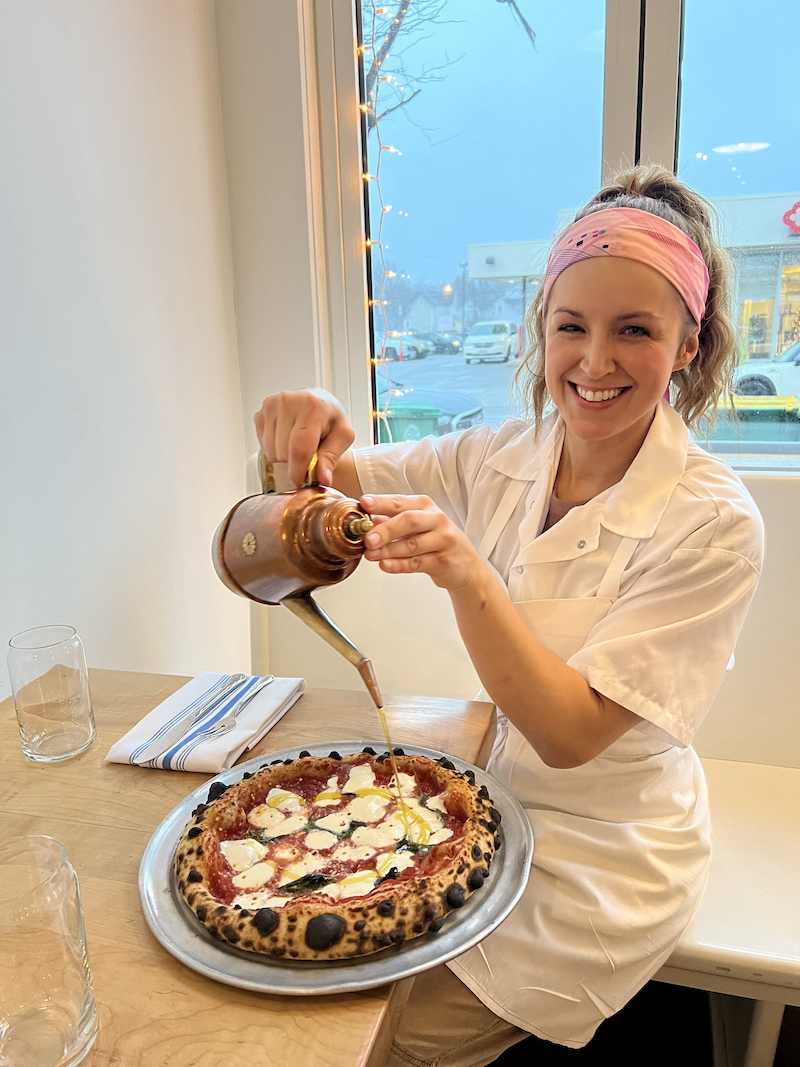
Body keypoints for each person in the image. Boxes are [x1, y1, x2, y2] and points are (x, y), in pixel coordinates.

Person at [254, 166, 763, 1064]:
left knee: (380, 1043)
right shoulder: (501, 456)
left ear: (688, 344)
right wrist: (311, 435)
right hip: (486, 797)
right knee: (302, 981)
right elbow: (329, 487)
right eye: (571, 326)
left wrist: (467, 574)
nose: (595, 361)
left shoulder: (714, 524)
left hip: (603, 853)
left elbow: (571, 735)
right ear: (542, 331)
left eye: (635, 330)